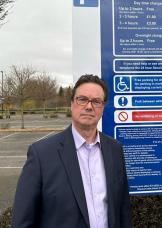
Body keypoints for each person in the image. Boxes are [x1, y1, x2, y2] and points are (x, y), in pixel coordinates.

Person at [11, 74, 132, 228]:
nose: (89, 106)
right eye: (82, 99)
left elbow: (123, 209)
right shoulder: (41, 154)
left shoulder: (115, 149)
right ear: (71, 104)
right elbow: (23, 221)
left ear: (102, 108)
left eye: (96, 101)